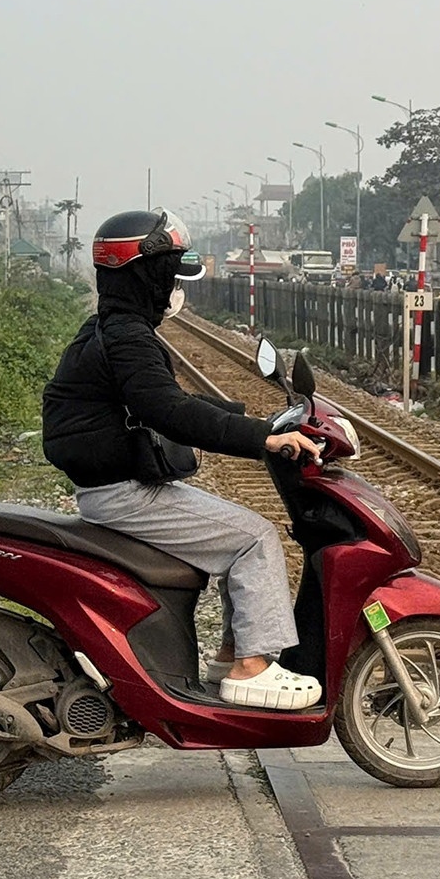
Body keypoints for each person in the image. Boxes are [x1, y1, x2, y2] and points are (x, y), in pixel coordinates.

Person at [41, 209, 325, 710]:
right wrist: (263, 439)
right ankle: (251, 667)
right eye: (168, 273)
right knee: (255, 537)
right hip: (124, 494)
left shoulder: (110, 327)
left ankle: (229, 658)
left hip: (117, 486)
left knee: (240, 531)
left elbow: (166, 398)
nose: (173, 285)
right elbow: (169, 412)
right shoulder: (128, 337)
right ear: (143, 273)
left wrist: (255, 419)